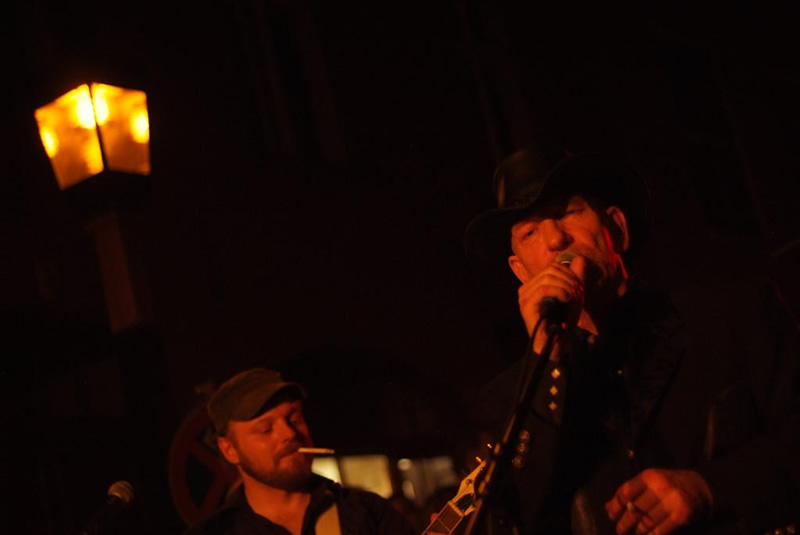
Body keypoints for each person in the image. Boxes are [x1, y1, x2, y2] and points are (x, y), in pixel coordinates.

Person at [462, 146, 800, 535]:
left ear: (617, 229)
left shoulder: (735, 314)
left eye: (568, 213)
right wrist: (547, 363)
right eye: (530, 232)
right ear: (521, 272)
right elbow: (518, 518)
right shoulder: (508, 399)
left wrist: (710, 487)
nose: (555, 239)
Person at [184, 368, 417, 535]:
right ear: (229, 450)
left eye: (294, 418)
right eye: (266, 429)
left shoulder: (366, 512)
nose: (289, 433)